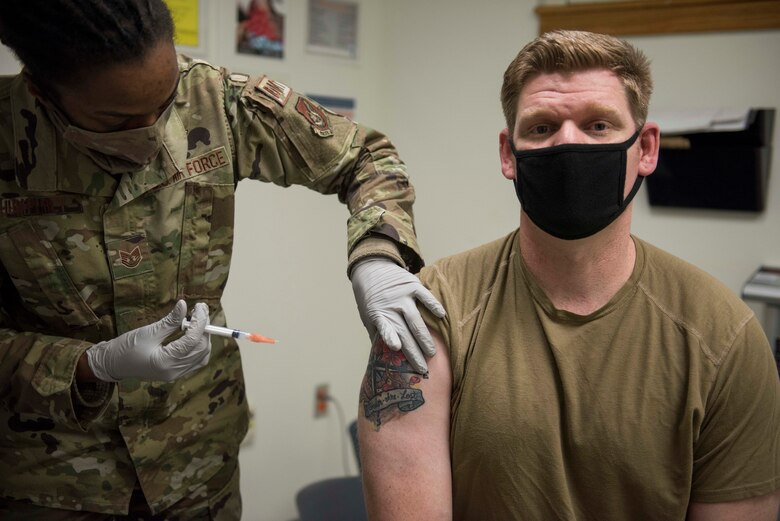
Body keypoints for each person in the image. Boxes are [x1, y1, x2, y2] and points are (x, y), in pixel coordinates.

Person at [0, 0, 444, 519]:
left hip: (199, 470)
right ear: (41, 90)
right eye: (118, 121)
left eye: (164, 105)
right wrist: (88, 366)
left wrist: (378, 256)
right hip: (52, 486)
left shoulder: (215, 102)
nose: (152, 135)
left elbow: (366, 157)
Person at [357, 30, 780, 520]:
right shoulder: (431, 309)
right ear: (508, 155)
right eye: (541, 128)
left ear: (645, 148)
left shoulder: (723, 337)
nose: (568, 143)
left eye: (598, 125)